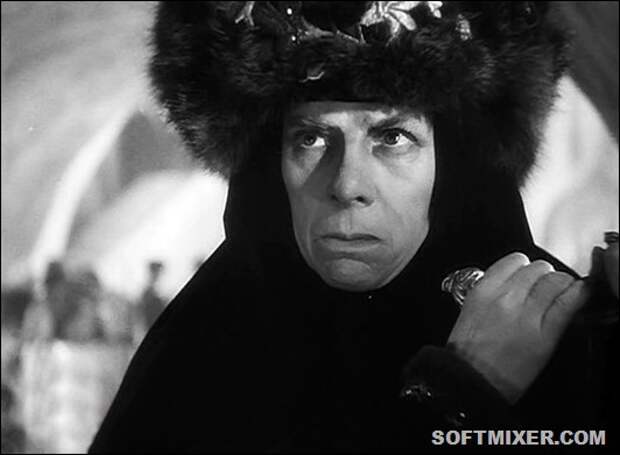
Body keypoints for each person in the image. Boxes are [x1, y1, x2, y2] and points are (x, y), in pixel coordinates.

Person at [90, 2, 618, 452]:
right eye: (312, 138)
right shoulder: (200, 354)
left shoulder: (573, 340)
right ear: (269, 169)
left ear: (455, 166)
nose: (346, 185)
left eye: (392, 138)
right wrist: (462, 392)